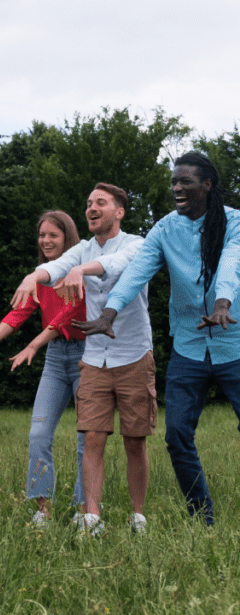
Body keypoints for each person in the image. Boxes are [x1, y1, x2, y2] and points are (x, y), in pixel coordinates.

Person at [77, 154, 240, 526]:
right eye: (174, 182)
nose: (177, 189)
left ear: (207, 185)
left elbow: (233, 261)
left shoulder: (234, 223)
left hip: (235, 341)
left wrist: (222, 302)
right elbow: (136, 271)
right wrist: (109, 312)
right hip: (188, 347)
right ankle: (202, 518)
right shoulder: (165, 229)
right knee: (177, 435)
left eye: (185, 182)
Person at [12, 183, 152, 535]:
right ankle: (91, 517)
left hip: (133, 353)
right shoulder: (81, 249)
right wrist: (34, 276)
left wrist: (82, 270)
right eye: (88, 203)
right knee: (92, 437)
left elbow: (115, 263)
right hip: (94, 358)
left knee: (134, 440)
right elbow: (57, 266)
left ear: (118, 211)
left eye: (100, 203)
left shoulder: (137, 244)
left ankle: (138, 517)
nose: (91, 208)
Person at [0, 211, 87, 526]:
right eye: (42, 235)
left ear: (68, 237)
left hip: (86, 356)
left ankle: (83, 511)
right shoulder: (40, 277)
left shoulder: (79, 273)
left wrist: (33, 346)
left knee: (86, 437)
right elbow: (18, 313)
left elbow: (66, 315)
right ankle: (43, 511)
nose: (46, 241)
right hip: (56, 358)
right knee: (38, 433)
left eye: (53, 235)